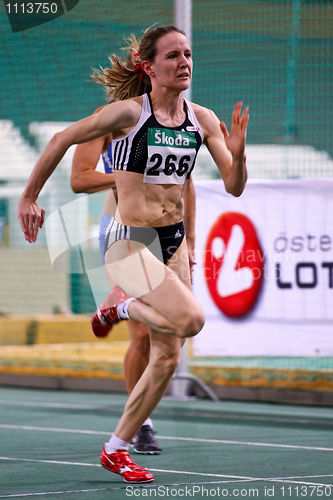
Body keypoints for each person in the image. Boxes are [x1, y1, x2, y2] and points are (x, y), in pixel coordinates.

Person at [18, 25, 248, 484]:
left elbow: (234, 187)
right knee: (191, 320)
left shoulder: (201, 119)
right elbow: (60, 139)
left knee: (168, 355)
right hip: (129, 240)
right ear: (148, 67)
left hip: (174, 240)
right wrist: (29, 198)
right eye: (172, 56)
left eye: (188, 54)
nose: (184, 62)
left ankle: (116, 448)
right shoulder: (126, 114)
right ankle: (120, 307)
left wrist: (238, 157)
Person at [70, 87, 196, 454]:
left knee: (177, 332)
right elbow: (80, 179)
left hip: (169, 234)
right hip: (123, 228)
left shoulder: (178, 122)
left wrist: (190, 241)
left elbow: (187, 185)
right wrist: (126, 179)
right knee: (141, 336)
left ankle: (117, 309)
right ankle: (142, 426)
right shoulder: (114, 117)